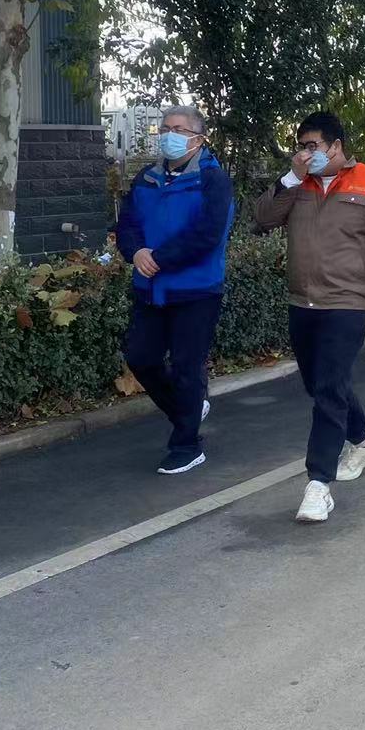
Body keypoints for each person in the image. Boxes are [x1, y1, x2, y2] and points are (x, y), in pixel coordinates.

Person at [254, 112, 365, 522]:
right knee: (322, 384)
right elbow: (263, 218)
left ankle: (318, 484)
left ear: (336, 146)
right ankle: (364, 442)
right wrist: (290, 177)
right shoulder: (298, 184)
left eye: (313, 146)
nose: (306, 154)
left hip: (347, 303)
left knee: (327, 390)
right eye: (301, 147)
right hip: (303, 302)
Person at [114, 105, 237, 475]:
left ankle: (187, 446)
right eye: (165, 128)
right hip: (150, 287)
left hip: (196, 290)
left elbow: (208, 234)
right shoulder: (147, 178)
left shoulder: (212, 179)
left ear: (198, 138)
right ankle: (189, 412)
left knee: (186, 367)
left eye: (179, 129)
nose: (170, 135)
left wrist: (160, 258)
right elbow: (126, 223)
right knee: (141, 358)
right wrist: (136, 252)